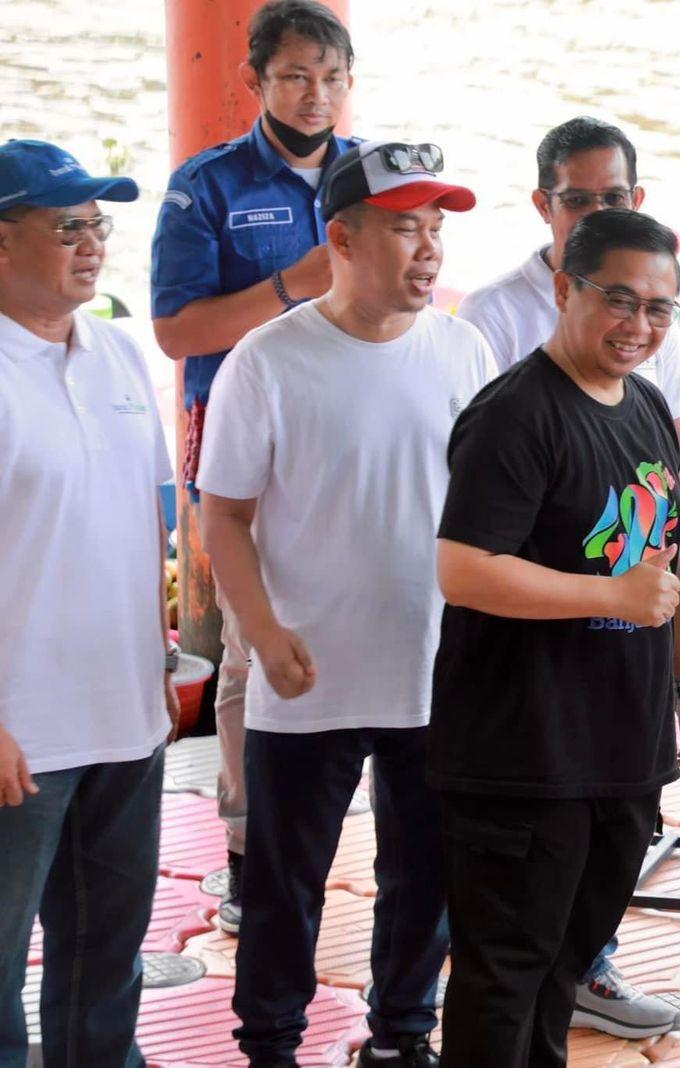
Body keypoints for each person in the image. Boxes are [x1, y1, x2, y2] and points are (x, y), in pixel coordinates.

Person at [198, 141, 493, 1068]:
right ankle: (270, 1046)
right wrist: (263, 631)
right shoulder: (268, 360)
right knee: (284, 886)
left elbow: (490, 510)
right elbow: (223, 516)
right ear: (343, 238)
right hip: (306, 673)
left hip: (433, 667)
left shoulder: (465, 349)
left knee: (424, 876)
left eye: (436, 228)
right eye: (405, 229)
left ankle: (401, 1035)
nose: (429, 249)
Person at [429, 209, 680, 1067]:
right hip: (524, 755)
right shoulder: (515, 415)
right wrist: (607, 593)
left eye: (659, 308)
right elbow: (463, 569)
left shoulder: (648, 406)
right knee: (503, 976)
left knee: (564, 966)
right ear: (564, 290)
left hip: (623, 746)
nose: (639, 326)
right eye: (619, 300)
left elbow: (663, 565)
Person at [149, 0, 360, 937]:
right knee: (248, 646)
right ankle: (248, 850)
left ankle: (370, 830)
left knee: (375, 622)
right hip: (247, 446)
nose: (316, 95)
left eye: (332, 77)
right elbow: (176, 332)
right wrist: (292, 285)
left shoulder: (374, 174)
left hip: (354, 436)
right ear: (253, 80)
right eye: (296, 76)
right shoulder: (206, 187)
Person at [0, 139, 179, 1067]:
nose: (92, 245)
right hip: (19, 734)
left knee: (108, 962)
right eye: (67, 226)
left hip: (123, 716)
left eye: (98, 225)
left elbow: (150, 519)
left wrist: (158, 663)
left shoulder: (117, 352)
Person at [458, 116, 680, 496]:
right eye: (577, 200)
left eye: (614, 198)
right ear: (543, 205)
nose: (598, 215)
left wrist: (654, 526)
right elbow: (478, 463)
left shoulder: (654, 306)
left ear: (636, 201)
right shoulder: (491, 314)